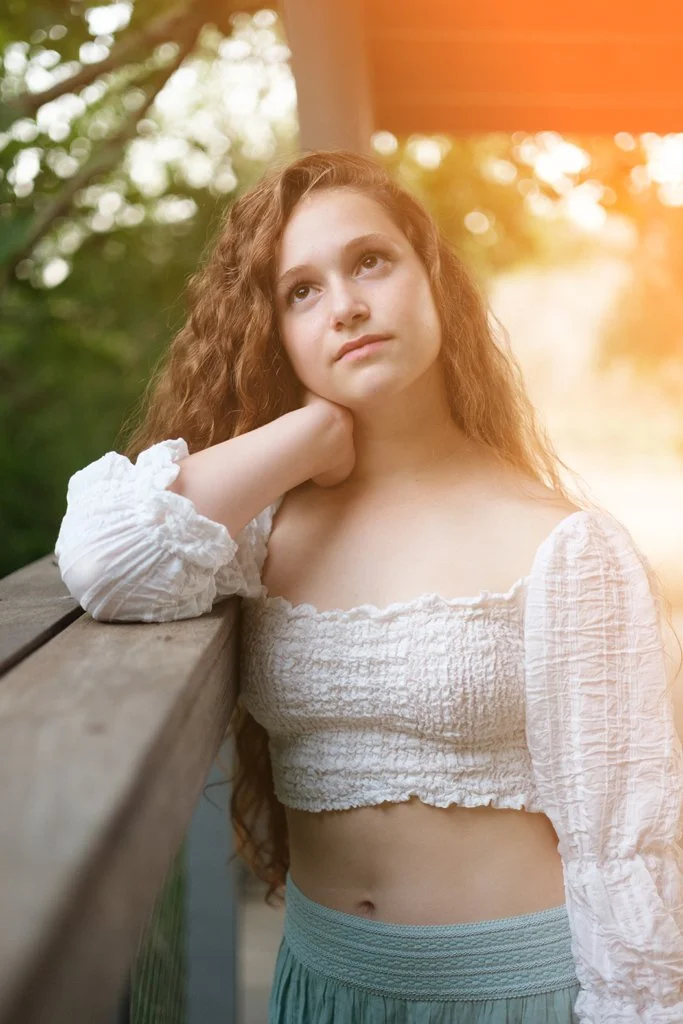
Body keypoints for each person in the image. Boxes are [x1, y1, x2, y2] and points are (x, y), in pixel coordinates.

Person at [54, 149, 683, 1023]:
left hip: (516, 992)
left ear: (430, 278)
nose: (344, 305)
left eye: (369, 262)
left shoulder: (564, 545)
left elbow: (628, 848)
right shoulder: (267, 530)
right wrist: (308, 437)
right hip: (322, 983)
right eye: (299, 291)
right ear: (272, 329)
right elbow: (105, 559)